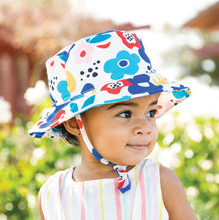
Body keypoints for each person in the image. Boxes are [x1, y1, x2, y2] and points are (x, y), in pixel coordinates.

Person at [29, 30, 197, 220]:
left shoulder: (159, 182)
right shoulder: (53, 195)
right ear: (74, 123)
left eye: (150, 113)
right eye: (125, 114)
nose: (146, 127)